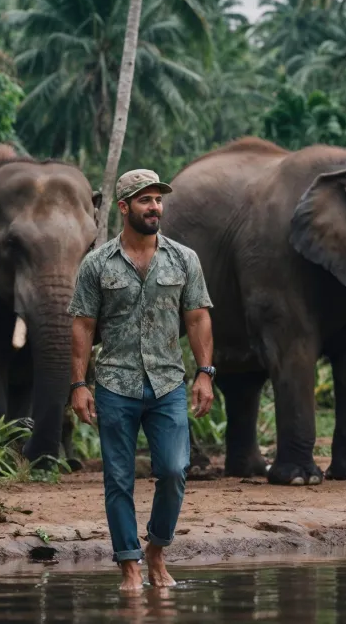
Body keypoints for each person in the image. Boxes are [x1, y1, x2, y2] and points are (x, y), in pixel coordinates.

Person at [67, 168, 216, 591]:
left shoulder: (184, 259)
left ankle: (156, 548)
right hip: (116, 384)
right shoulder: (96, 264)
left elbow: (198, 318)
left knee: (174, 469)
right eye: (145, 200)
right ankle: (130, 565)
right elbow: (82, 325)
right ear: (124, 207)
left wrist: (205, 374)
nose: (155, 207)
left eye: (158, 199)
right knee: (118, 478)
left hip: (168, 383)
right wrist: (79, 384)